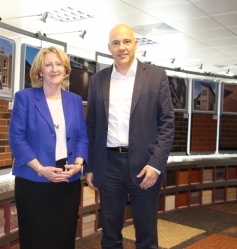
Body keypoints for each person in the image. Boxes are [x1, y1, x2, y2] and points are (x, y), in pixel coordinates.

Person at [85, 24, 174, 249]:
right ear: (109, 48)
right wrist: (90, 167)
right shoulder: (97, 81)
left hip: (145, 166)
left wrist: (156, 165)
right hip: (109, 165)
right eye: (116, 43)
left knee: (146, 233)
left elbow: (167, 124)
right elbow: (92, 127)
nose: (121, 47)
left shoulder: (156, 76)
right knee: (110, 232)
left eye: (126, 42)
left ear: (135, 44)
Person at [9, 46, 88, 249]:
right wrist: (41, 169)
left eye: (59, 64)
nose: (54, 69)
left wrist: (78, 164)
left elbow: (82, 137)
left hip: (67, 181)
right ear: (40, 71)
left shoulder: (75, 100)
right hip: (34, 180)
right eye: (49, 64)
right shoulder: (25, 98)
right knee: (36, 239)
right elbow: (17, 138)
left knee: (63, 237)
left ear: (66, 69)